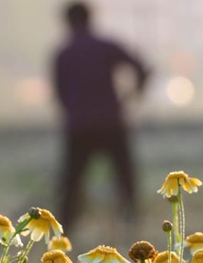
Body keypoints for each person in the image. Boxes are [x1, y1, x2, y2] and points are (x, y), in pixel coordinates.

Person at [53, 2, 150, 233]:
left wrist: (73, 111)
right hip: (111, 122)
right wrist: (133, 96)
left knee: (72, 182)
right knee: (124, 177)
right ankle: (131, 223)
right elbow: (142, 68)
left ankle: (65, 229)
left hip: (79, 127)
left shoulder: (63, 54)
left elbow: (60, 93)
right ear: (90, 18)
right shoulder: (106, 46)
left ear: (67, 22)